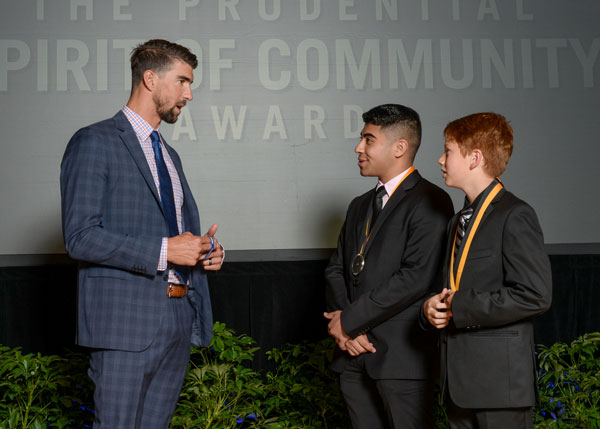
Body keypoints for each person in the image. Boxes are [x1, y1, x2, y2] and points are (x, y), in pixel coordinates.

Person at [60, 39, 225, 428]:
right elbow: (80, 237)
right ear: (150, 79)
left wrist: (204, 250)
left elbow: (172, 235)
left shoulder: (169, 153)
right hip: (126, 325)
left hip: (178, 316)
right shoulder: (94, 141)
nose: (190, 93)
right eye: (183, 81)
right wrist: (167, 250)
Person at [324, 104, 454, 428]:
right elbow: (336, 270)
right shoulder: (358, 206)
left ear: (400, 147)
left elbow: (416, 278)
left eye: (369, 139)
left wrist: (349, 321)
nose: (358, 148)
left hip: (401, 362)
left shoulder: (432, 200)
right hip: (352, 358)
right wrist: (348, 332)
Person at [422, 112, 552, 428]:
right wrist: (430, 307)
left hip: (500, 389)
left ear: (474, 158)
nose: (440, 160)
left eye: (448, 151)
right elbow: (451, 287)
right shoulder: (457, 221)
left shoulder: (516, 215)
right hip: (459, 387)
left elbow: (535, 296)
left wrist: (460, 306)